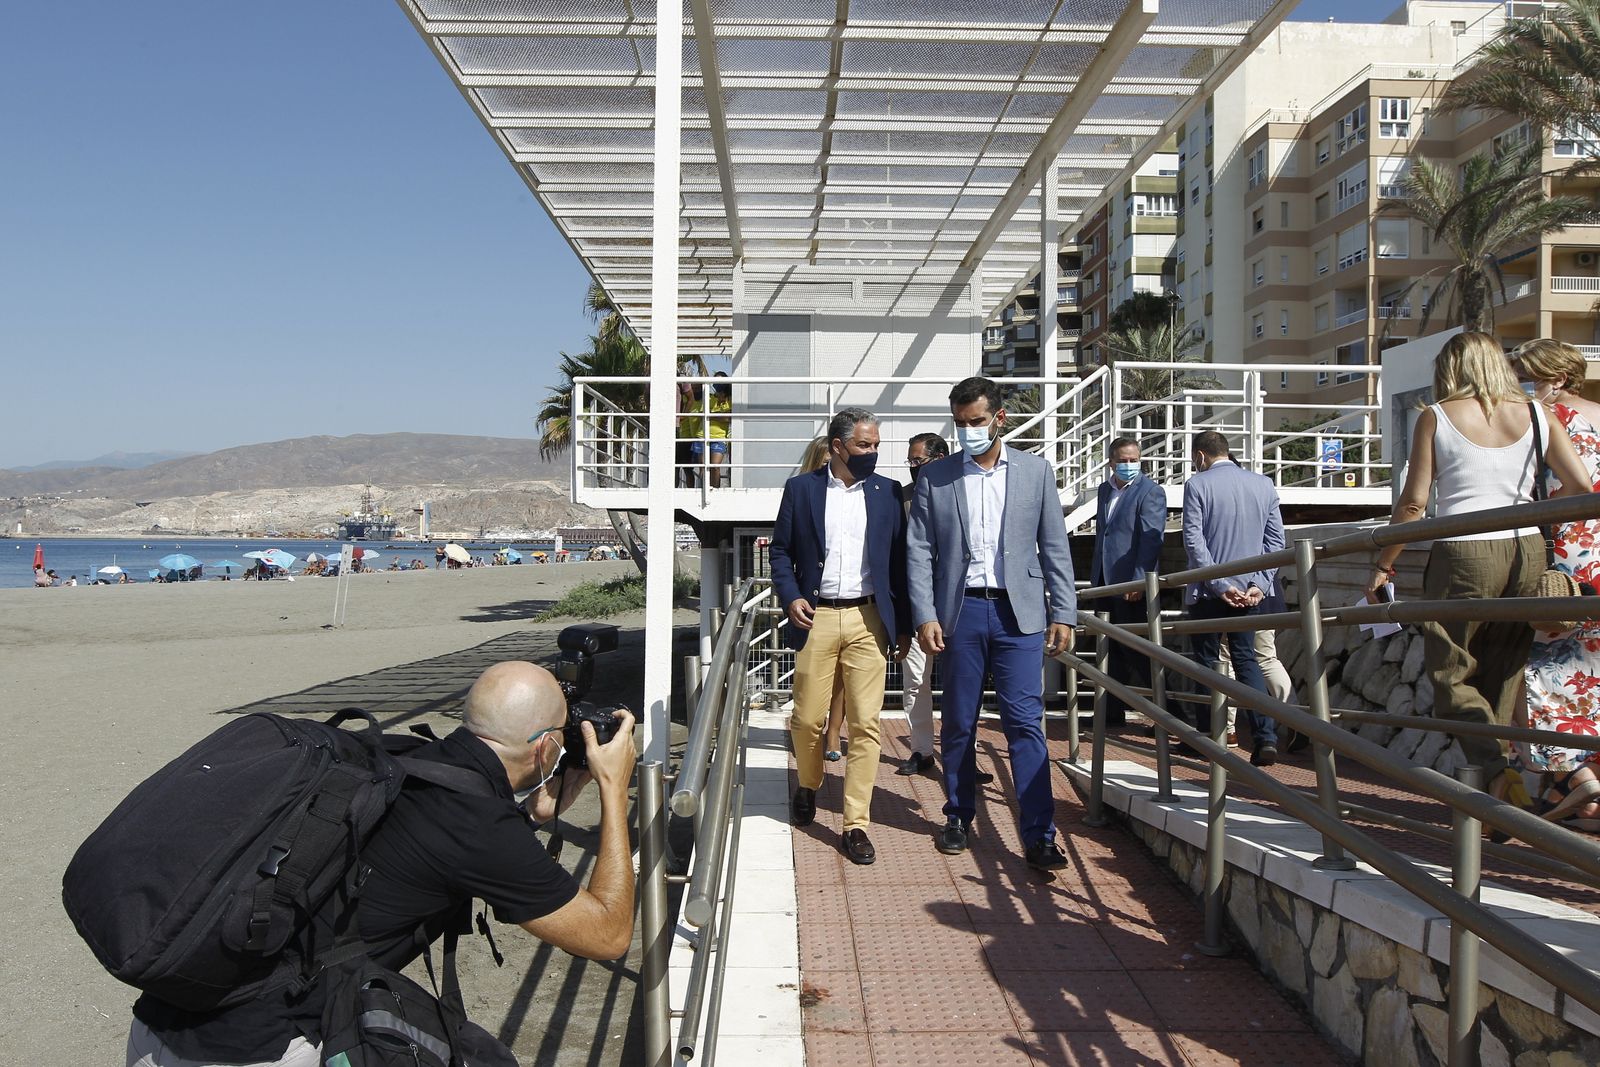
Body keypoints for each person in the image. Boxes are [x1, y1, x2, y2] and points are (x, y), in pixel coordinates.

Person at [126, 661, 638, 1067]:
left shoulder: (411, 761)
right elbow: (608, 935)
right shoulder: (476, 825)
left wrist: (539, 808)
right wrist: (613, 790)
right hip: (255, 1048)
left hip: (172, 1010)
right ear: (548, 745)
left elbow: (443, 846)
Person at [1368, 332, 1590, 801]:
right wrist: (1539, 521)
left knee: (1450, 671)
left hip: (1464, 551)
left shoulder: (1437, 416)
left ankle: (1495, 772)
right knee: (1503, 669)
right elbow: (1580, 484)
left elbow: (1413, 503)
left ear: (1451, 369)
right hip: (1527, 548)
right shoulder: (1537, 413)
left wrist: (1384, 564)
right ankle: (1500, 783)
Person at [906, 376, 1077, 870]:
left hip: (1019, 613)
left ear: (999, 418)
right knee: (958, 722)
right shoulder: (935, 478)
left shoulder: (1035, 472)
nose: (966, 432)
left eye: (976, 422)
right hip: (960, 613)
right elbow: (918, 552)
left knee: (1026, 724)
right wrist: (925, 613)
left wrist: (1063, 610)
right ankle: (957, 814)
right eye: (959, 424)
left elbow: (1055, 546)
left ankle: (1040, 833)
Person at [770, 407, 910, 866]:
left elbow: (900, 565)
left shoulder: (889, 493)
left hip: (870, 619)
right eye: (864, 445)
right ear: (837, 447)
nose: (873, 453)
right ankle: (808, 785)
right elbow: (782, 552)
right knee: (808, 721)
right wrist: (790, 597)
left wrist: (903, 624)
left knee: (867, 725)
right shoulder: (801, 489)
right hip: (817, 618)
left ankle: (855, 825)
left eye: (875, 445)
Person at [1508, 340, 1600, 821]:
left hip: (1566, 550)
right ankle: (1565, 791)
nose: (1519, 386)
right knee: (1589, 668)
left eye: (1526, 376)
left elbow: (1552, 484)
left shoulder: (1546, 419)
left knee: (1533, 661)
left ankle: (1571, 775)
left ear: (1556, 379)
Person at [1181, 430, 1286, 766]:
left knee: (1206, 665)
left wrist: (1220, 584)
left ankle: (1207, 738)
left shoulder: (1197, 485)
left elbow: (1195, 543)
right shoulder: (1264, 485)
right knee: (1247, 661)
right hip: (1252, 591)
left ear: (1200, 456)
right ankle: (1265, 737)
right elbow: (1275, 543)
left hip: (1210, 589)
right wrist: (1260, 582)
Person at [1086, 437, 1167, 728]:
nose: (1129, 465)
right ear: (1111, 461)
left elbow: (1151, 539)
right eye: (1123, 460)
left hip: (1130, 585)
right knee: (1108, 649)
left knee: (1139, 651)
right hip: (1104, 581)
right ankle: (1110, 713)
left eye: (1134, 460)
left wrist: (1138, 580)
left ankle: (1171, 714)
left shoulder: (1151, 492)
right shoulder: (1105, 490)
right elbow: (1105, 536)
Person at [897, 431, 953, 776]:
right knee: (916, 679)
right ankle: (922, 750)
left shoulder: (964, 490)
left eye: (919, 461)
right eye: (911, 462)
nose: (914, 468)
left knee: (963, 681)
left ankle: (963, 754)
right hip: (917, 603)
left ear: (941, 458)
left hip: (957, 602)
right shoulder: (900, 498)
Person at [795, 435, 850, 763]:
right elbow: (784, 549)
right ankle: (806, 729)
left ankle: (833, 730)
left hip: (851, 602)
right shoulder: (801, 494)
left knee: (842, 677)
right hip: (812, 602)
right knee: (810, 678)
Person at [701, 372, 733, 489]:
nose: (717, 384)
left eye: (720, 381)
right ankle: (705, 489)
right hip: (704, 435)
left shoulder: (731, 399)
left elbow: (728, 418)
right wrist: (719, 415)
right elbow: (703, 414)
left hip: (720, 437)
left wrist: (712, 415)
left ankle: (715, 490)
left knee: (715, 466)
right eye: (715, 381)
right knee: (703, 467)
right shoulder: (710, 398)